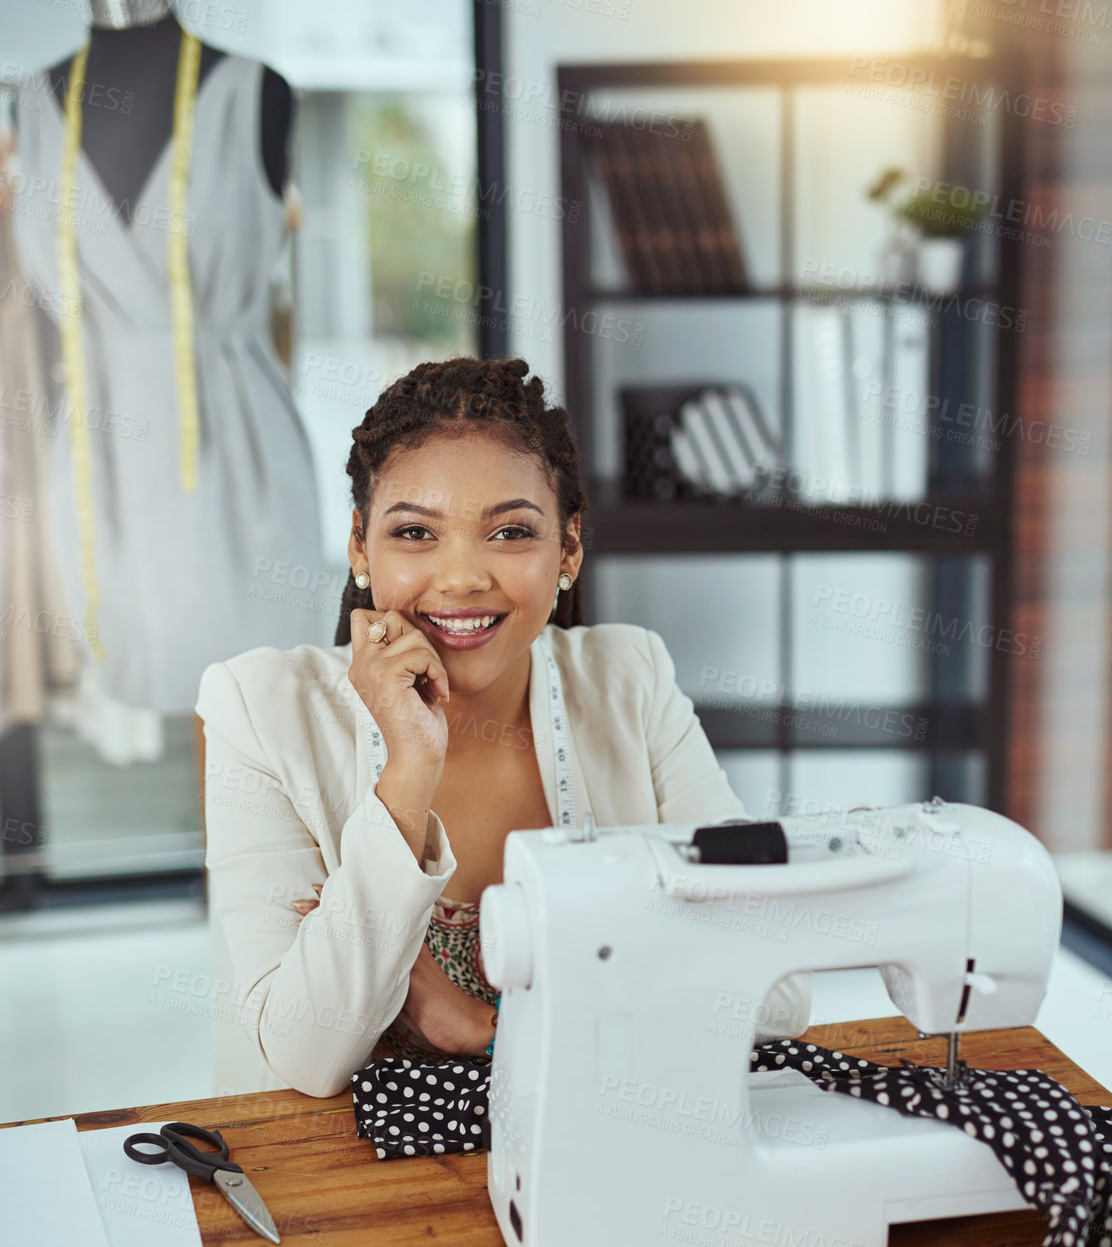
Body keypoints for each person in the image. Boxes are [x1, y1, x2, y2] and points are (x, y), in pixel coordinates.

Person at [197, 356, 805, 1099]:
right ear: (360, 547)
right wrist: (407, 774)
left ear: (568, 549)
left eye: (510, 531)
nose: (461, 578)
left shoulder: (631, 678)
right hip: (351, 1184)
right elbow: (307, 1051)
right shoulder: (257, 707)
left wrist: (477, 1028)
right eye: (415, 532)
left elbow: (776, 994)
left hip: (593, 1148)